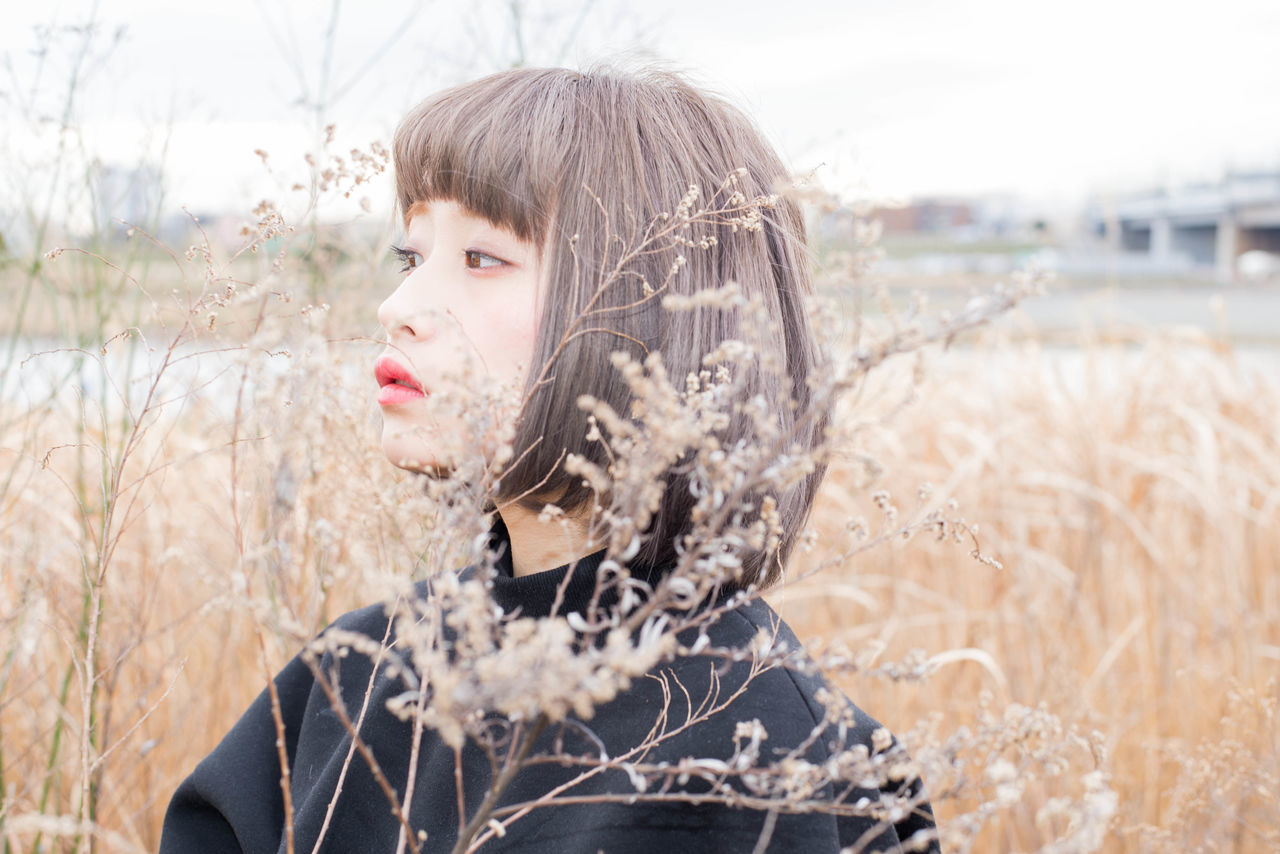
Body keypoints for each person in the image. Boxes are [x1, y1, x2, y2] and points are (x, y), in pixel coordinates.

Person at [161, 66, 938, 853]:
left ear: (655, 315)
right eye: (411, 257)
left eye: (483, 259)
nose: (397, 310)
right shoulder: (356, 678)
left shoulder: (760, 759)